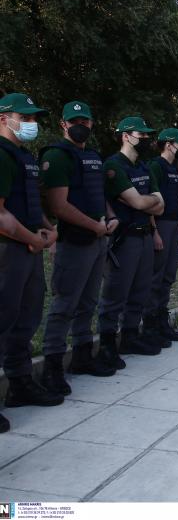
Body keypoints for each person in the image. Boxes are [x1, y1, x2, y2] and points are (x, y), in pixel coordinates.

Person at [39, 101, 118, 396]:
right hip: (75, 240)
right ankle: (52, 366)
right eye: (75, 121)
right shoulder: (58, 156)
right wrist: (94, 226)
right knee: (64, 305)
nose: (80, 126)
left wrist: (110, 217)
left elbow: (98, 195)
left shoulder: (93, 157)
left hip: (98, 239)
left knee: (88, 302)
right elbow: (59, 205)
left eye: (85, 121)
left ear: (92, 123)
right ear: (63, 124)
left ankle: (83, 355)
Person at [0, 93, 61, 432]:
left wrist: (49, 232)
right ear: (3, 119)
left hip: (28, 246)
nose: (30, 124)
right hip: (9, 249)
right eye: (23, 118)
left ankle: (20, 383)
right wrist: (32, 239)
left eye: (33, 118)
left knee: (26, 317)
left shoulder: (23, 156)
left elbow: (30, 204)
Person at [96, 117, 165, 367]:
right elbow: (141, 203)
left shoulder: (144, 168)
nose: (146, 140)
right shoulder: (114, 166)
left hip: (145, 234)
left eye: (147, 136)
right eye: (141, 135)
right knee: (116, 292)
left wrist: (140, 201)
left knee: (140, 290)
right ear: (126, 136)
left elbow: (160, 206)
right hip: (124, 238)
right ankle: (106, 344)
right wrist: (144, 201)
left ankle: (129, 336)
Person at [144, 128, 178, 344]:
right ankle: (150, 325)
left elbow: (174, 202)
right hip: (160, 224)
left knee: (169, 275)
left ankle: (162, 320)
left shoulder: (175, 168)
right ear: (169, 144)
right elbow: (151, 201)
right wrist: (154, 231)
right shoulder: (156, 166)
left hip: (172, 224)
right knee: (157, 276)